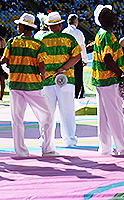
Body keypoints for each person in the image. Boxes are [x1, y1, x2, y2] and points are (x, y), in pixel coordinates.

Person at [3, 13, 55, 157]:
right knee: (47, 116)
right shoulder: (38, 44)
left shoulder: (12, 42)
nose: (17, 27)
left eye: (19, 25)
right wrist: (42, 76)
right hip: (33, 85)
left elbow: (3, 60)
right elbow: (41, 66)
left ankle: (21, 151)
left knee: (17, 119)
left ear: (23, 27)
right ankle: (48, 148)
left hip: (15, 84)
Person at [91, 5, 124, 156]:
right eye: (108, 13)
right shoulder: (107, 35)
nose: (113, 14)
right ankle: (122, 148)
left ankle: (105, 147)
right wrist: (122, 74)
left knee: (103, 116)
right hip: (109, 80)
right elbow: (107, 58)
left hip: (101, 80)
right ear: (101, 19)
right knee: (115, 115)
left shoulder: (102, 34)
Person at [41, 11, 82, 147]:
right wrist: (64, 68)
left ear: (48, 26)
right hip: (66, 79)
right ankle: (69, 138)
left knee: (47, 111)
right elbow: (77, 56)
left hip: (47, 80)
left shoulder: (43, 40)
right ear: (60, 24)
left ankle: (45, 139)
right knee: (68, 110)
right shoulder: (69, 39)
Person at [64, 13, 89, 99]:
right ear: (76, 22)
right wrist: (85, 59)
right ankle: (78, 94)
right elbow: (82, 47)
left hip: (66, 59)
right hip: (76, 58)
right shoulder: (78, 33)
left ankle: (67, 93)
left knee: (67, 76)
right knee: (78, 77)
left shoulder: (64, 32)